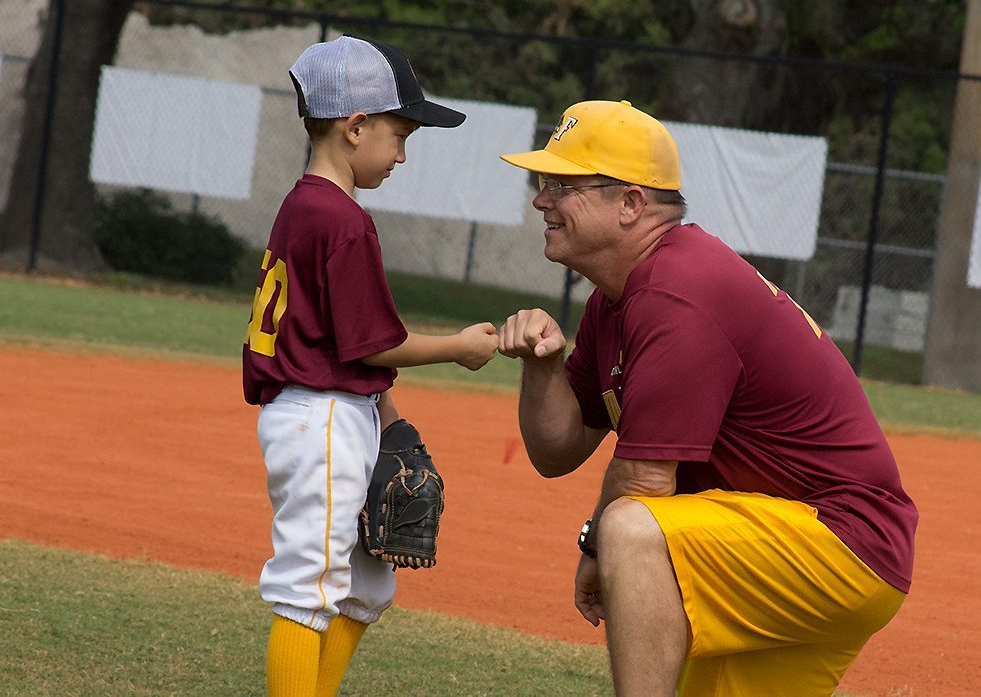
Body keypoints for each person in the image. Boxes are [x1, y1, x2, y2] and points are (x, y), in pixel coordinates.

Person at [495, 100, 918, 696]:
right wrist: (545, 370)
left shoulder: (676, 291)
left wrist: (597, 546)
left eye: (564, 184)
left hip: (838, 541)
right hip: (802, 542)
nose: (542, 199)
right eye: (544, 181)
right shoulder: (617, 299)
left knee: (633, 529)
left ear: (632, 204)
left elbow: (644, 485)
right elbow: (556, 452)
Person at [242, 35, 499, 696]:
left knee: (366, 584)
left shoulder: (307, 205)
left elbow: (342, 342)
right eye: (400, 133)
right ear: (356, 127)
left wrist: (387, 419)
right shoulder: (341, 219)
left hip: (334, 410)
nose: (404, 153)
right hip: (319, 415)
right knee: (310, 588)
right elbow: (372, 345)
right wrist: (461, 348)